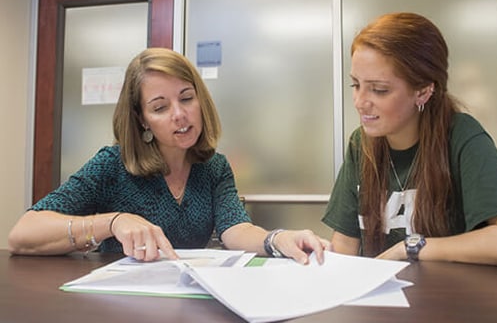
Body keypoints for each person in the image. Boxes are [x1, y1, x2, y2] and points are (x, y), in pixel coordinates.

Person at [9, 47, 330, 264]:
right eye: (160, 107)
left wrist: (278, 239)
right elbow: (23, 233)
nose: (180, 114)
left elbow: (235, 229)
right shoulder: (112, 164)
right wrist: (114, 222)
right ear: (141, 119)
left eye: (187, 98)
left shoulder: (213, 166)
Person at [322, 12, 497, 268]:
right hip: (382, 303)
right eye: (355, 85)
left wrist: (410, 248)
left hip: (448, 301)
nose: (360, 102)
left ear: (423, 91)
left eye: (379, 89)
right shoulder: (361, 145)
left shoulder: (460, 135)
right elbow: (344, 248)